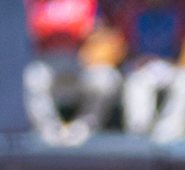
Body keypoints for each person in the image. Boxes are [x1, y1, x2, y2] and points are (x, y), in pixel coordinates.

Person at [23, 0, 124, 146]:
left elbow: (104, 35)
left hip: (81, 64)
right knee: (34, 77)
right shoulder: (40, 4)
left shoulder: (90, 4)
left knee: (107, 79)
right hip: (51, 65)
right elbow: (38, 31)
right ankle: (50, 130)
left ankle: (84, 127)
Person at [115, 0, 185, 143]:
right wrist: (134, 59)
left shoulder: (180, 15)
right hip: (142, 66)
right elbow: (121, 47)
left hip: (172, 66)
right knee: (136, 81)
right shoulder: (134, 14)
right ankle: (140, 130)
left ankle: (170, 128)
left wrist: (178, 63)